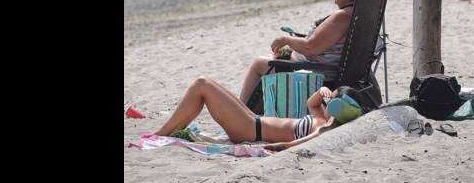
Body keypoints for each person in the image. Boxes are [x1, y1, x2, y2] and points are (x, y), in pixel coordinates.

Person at [238, 0, 364, 103]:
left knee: (258, 64)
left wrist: (286, 39)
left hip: (316, 75)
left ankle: (241, 112)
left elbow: (310, 47)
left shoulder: (342, 16)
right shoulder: (357, 13)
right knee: (269, 59)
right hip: (323, 68)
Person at [153, 77, 364, 152]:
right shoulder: (323, 119)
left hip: (250, 129)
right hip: (253, 120)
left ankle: (161, 133)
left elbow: (305, 141)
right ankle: (169, 131)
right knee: (208, 82)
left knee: (202, 84)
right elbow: (311, 104)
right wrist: (322, 92)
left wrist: (275, 147)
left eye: (331, 100)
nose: (326, 102)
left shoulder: (324, 127)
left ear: (338, 107)